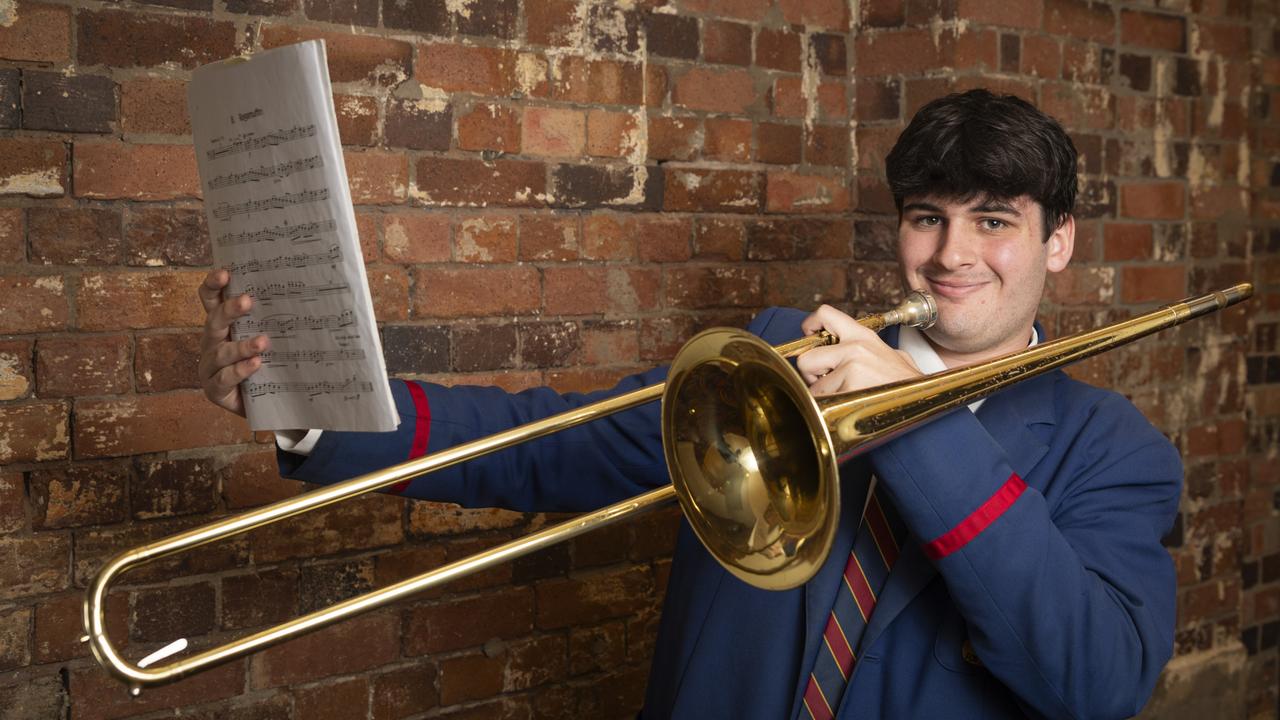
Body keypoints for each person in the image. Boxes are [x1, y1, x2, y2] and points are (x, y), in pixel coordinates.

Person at [198, 89, 1180, 719]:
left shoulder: (1113, 452)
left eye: (994, 222)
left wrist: (916, 418)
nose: (951, 256)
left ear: (1058, 242)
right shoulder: (786, 356)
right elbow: (549, 448)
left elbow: (1090, 684)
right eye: (927, 218)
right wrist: (310, 405)